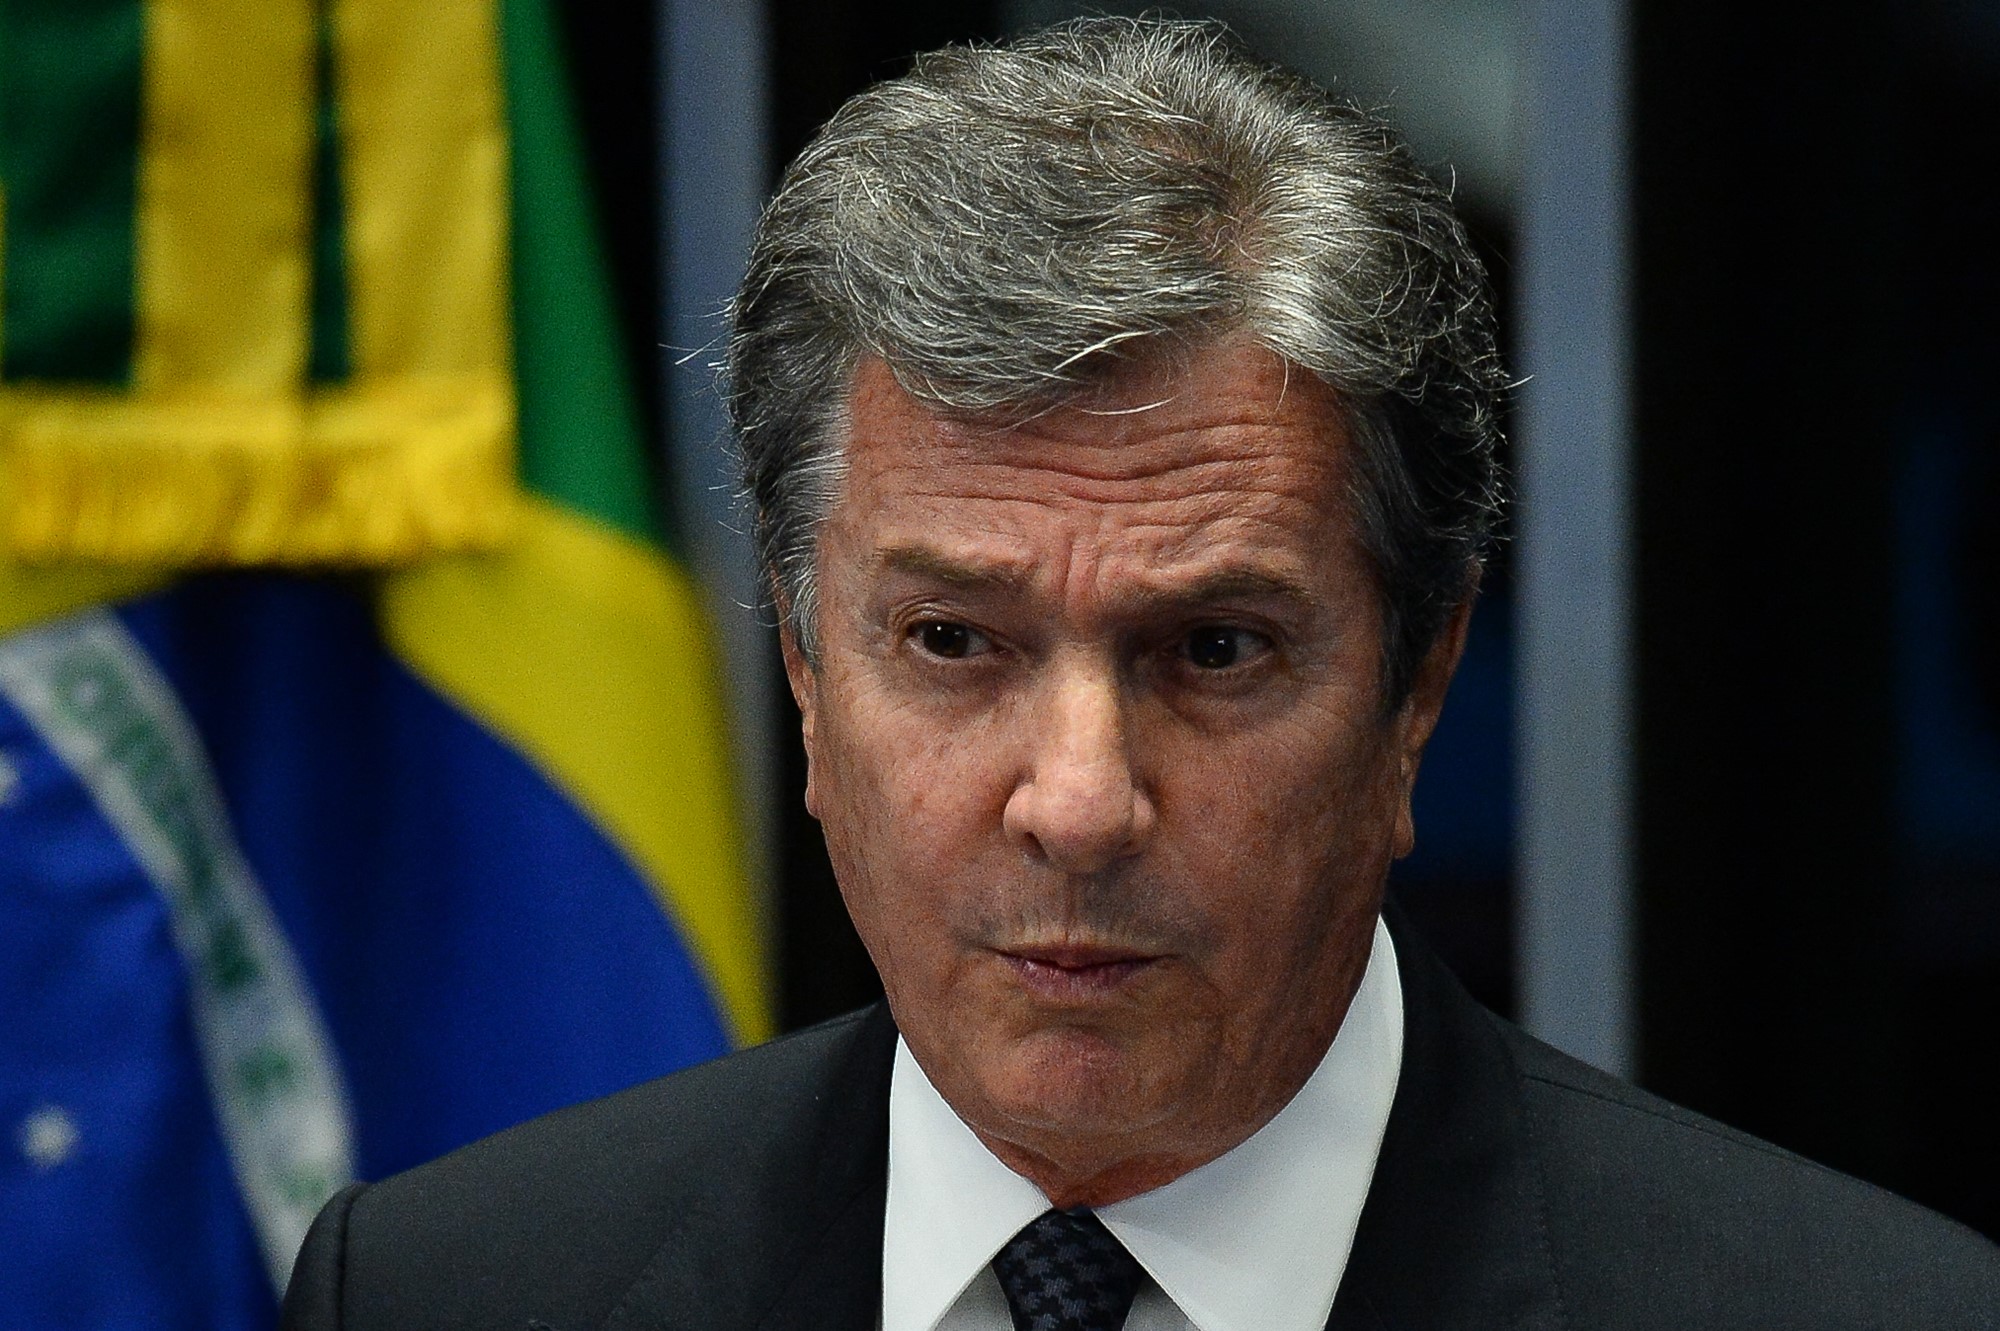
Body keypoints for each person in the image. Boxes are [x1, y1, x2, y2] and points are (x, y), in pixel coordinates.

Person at [281, 17, 2000, 1330]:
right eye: (954, 643)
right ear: (807, 675)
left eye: (1215, 649)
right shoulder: (450, 1291)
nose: (1080, 802)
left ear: (1418, 686)